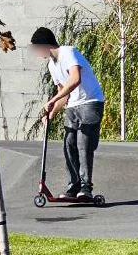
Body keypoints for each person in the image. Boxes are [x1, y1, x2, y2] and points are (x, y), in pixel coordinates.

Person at [30, 27, 105, 200]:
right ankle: (74, 186)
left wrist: (52, 99)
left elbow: (75, 79)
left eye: (37, 48)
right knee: (68, 143)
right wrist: (52, 112)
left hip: (90, 102)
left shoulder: (68, 52)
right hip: (72, 105)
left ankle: (86, 188)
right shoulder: (51, 65)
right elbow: (64, 92)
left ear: (44, 45)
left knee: (83, 144)